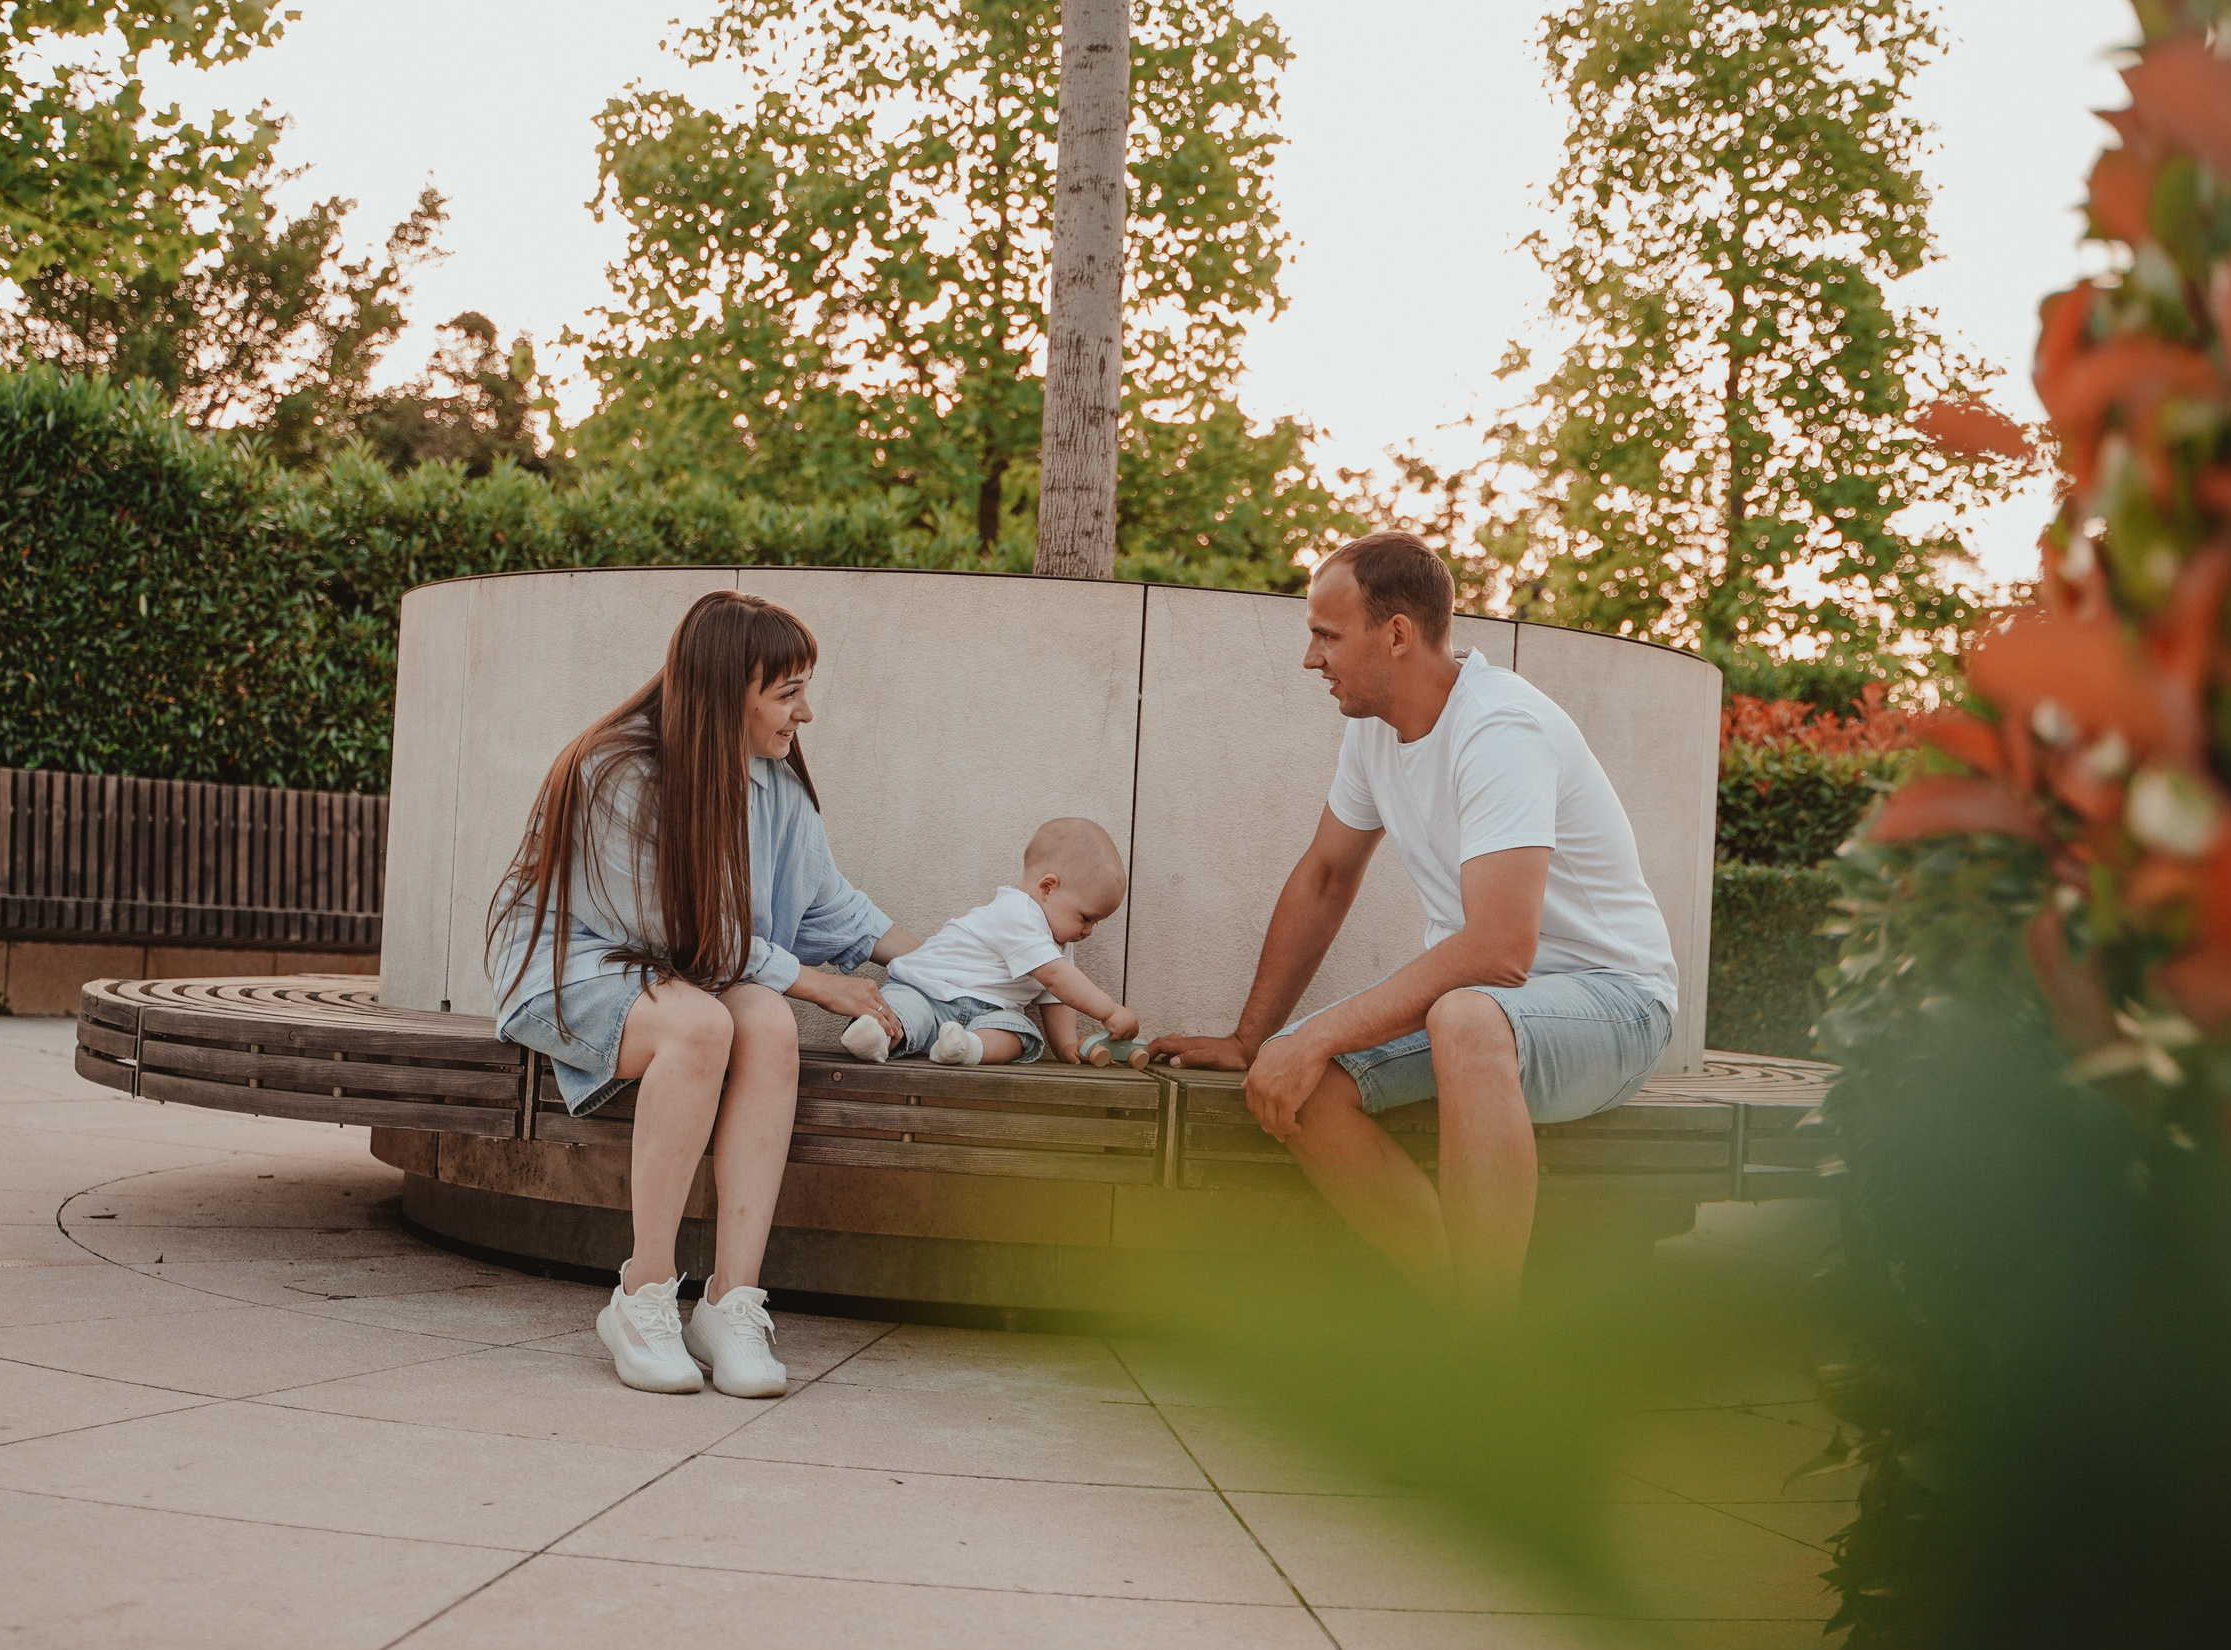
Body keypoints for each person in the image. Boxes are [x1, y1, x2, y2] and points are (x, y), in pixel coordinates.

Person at [1144, 532, 1677, 1320]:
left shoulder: (1500, 730)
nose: (1310, 659)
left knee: (1462, 1014)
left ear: (1394, 634)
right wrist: (1256, 1038)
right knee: (1298, 1089)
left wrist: (1318, 1031)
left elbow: (1499, 949)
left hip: (1615, 1004)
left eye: (1327, 635)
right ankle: (1460, 1318)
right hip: (1488, 1016)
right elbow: (1326, 877)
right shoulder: (1373, 730)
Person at [486, 590, 923, 1397]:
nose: (806, 712)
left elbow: (832, 910)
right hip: (576, 967)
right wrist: (822, 985)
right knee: (700, 1027)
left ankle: (729, 1300)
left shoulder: (774, 787)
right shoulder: (614, 771)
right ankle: (643, 1295)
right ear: (729, 690)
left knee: (766, 1022)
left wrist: (946, 968)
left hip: (689, 973)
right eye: (788, 692)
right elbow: (680, 933)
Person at [838, 817, 1140, 1067]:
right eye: (1086, 918)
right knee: (903, 1014)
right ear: (1048, 887)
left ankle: (965, 1047)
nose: (1088, 931)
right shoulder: (1018, 912)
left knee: (1019, 1033)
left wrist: (1066, 1045)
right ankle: (874, 1036)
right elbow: (1057, 979)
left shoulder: (1059, 941)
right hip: (927, 992)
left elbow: (1057, 997)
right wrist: (1109, 1011)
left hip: (986, 1015)